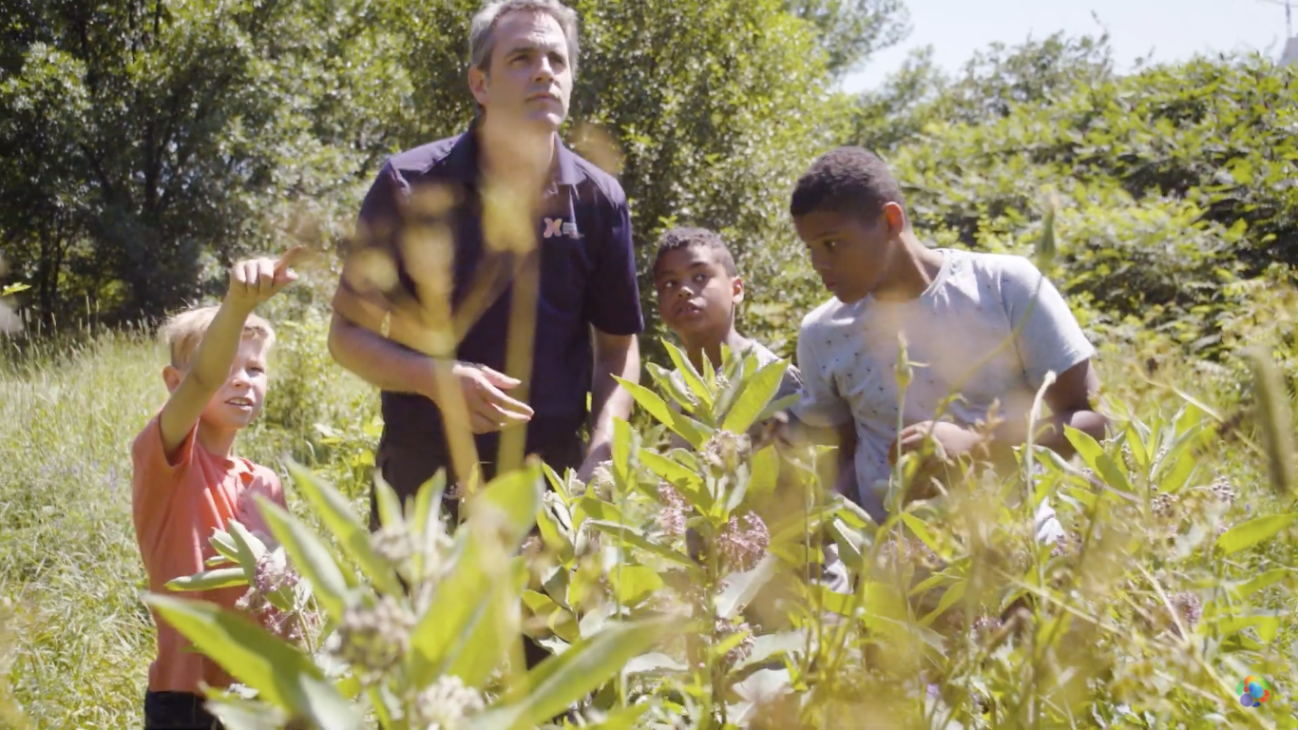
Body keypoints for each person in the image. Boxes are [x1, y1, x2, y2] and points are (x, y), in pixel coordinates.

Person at [328, 0, 642, 529]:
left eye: (557, 60)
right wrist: (436, 379)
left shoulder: (599, 198)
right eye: (521, 58)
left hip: (553, 489)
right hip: (425, 487)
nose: (544, 71)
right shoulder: (410, 184)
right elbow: (345, 337)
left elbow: (618, 347)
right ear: (480, 84)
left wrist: (604, 451)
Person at [787, 146, 1108, 535]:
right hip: (896, 564)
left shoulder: (1005, 287)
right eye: (811, 249)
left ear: (890, 221)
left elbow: (1095, 422)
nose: (819, 264)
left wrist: (976, 445)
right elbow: (839, 459)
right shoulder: (822, 333)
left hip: (1020, 549)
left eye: (832, 244)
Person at [131, 251, 301, 729]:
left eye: (255, 369)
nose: (242, 380)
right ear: (174, 382)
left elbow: (282, 589)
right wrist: (239, 305)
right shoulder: (166, 459)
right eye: (230, 365)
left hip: (261, 694)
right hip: (188, 700)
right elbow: (204, 378)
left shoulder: (265, 482)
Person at [651, 226, 850, 594]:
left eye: (700, 277)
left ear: (737, 289)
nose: (683, 290)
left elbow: (814, 488)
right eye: (669, 284)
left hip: (799, 585)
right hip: (723, 591)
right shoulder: (679, 389)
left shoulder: (774, 380)